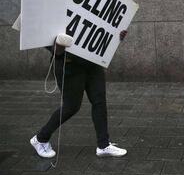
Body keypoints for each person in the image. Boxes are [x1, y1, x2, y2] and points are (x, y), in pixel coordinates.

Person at [30, 30, 128, 158]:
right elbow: (43, 32)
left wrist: (115, 35)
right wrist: (56, 49)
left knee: (99, 101)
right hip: (69, 66)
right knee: (71, 107)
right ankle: (41, 138)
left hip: (92, 61)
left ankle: (103, 145)